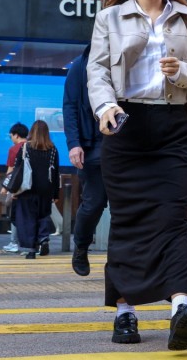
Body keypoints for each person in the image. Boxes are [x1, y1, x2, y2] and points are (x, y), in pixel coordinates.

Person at [87, 0, 187, 349]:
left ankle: (181, 307)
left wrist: (181, 72)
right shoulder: (109, 18)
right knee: (128, 220)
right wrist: (105, 106)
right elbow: (97, 70)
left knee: (174, 217)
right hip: (124, 124)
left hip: (172, 126)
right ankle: (125, 312)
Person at [63, 45, 107, 276]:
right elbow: (69, 107)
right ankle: (81, 247)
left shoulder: (124, 62)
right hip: (93, 145)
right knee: (94, 203)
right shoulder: (79, 66)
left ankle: (122, 259)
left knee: (126, 205)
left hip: (123, 144)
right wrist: (74, 143)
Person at [10, 120, 60, 259]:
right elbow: (56, 173)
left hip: (27, 189)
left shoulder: (25, 147)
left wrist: (14, 190)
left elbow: (17, 170)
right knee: (43, 215)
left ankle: (30, 250)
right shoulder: (53, 149)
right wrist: (55, 194)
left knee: (27, 218)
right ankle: (43, 238)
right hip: (46, 189)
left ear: (31, 132)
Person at [1, 123, 29, 253]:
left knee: (15, 214)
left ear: (16, 135)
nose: (11, 138)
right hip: (30, 185)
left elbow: (10, 170)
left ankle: (14, 242)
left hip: (17, 186)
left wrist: (6, 187)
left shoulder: (14, 149)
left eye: (11, 135)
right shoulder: (32, 146)